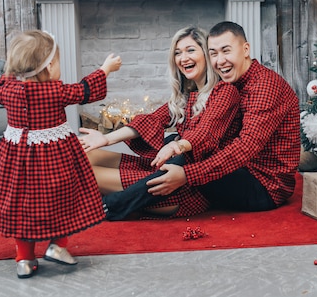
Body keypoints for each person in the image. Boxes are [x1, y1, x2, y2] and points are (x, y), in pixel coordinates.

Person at [0, 29, 121, 279]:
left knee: (21, 205)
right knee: (63, 199)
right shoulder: (56, 91)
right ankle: (57, 246)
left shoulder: (7, 90)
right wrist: (105, 69)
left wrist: (13, 70)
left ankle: (24, 258)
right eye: (58, 63)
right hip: (55, 158)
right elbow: (87, 90)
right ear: (49, 66)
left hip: (17, 159)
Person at [99, 21, 301, 215]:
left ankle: (113, 205)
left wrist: (187, 174)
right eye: (213, 53)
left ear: (246, 49)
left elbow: (244, 148)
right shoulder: (226, 83)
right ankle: (130, 186)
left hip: (264, 184)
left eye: (226, 51)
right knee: (175, 143)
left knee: (189, 155)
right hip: (238, 167)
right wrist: (106, 139)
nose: (220, 61)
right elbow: (161, 117)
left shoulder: (264, 86)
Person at [79, 26, 241, 219]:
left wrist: (175, 145)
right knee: (84, 156)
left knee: (76, 171)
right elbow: (152, 120)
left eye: (190, 50)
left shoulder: (225, 92)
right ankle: (90, 199)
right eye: (177, 53)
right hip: (163, 169)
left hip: (183, 188)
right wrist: (105, 139)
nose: (183, 58)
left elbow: (204, 134)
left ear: (207, 55)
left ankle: (95, 205)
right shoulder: (187, 96)